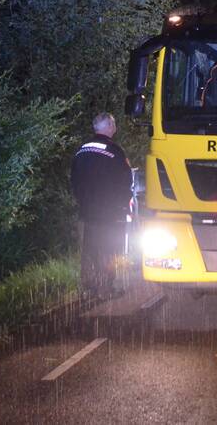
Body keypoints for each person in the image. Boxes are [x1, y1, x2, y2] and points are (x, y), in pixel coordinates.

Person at [70, 112, 132, 299]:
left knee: (90, 248)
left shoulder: (82, 150)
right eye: (113, 125)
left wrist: (82, 201)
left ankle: (88, 288)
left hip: (87, 211)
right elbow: (126, 180)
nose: (115, 128)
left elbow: (74, 179)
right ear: (109, 127)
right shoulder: (114, 151)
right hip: (109, 212)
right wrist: (123, 203)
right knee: (109, 248)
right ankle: (106, 289)